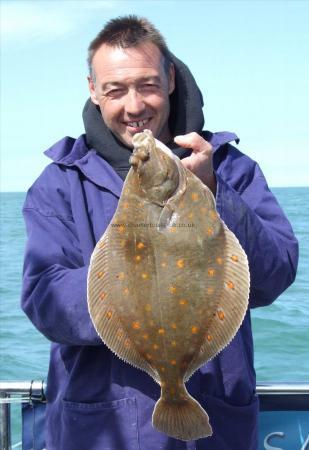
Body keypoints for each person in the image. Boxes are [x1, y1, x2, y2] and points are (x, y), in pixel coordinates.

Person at [21, 15, 298, 450]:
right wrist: (128, 279)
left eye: (147, 85)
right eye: (115, 90)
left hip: (215, 428)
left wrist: (213, 192)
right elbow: (45, 301)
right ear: (93, 90)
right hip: (99, 433)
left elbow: (274, 276)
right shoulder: (59, 184)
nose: (134, 107)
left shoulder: (229, 168)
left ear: (170, 78)